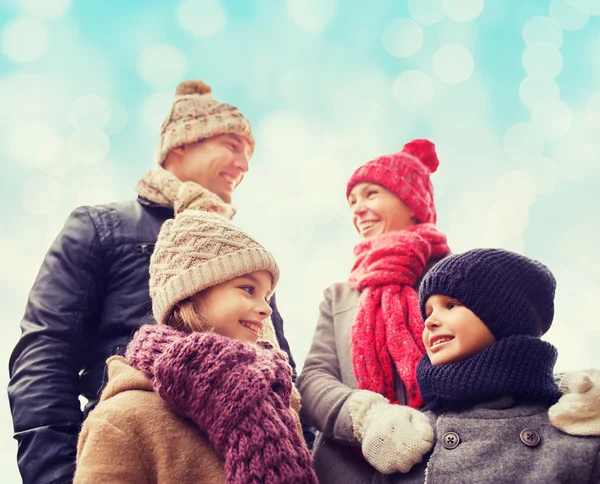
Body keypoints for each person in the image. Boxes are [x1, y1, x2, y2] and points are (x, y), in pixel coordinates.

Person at [8, 79, 297, 484]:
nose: (244, 165)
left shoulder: (246, 257)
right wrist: (59, 475)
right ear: (181, 144)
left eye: (249, 155)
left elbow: (281, 362)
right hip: (137, 455)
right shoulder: (101, 227)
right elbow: (46, 353)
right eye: (232, 146)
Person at [74, 210, 317, 483]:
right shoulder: (122, 419)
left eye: (266, 297)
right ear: (192, 292)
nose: (265, 309)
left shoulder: (276, 405)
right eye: (248, 289)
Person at [366, 248, 600, 483]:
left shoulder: (577, 425)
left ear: (506, 316)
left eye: (451, 305)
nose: (430, 321)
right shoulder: (410, 439)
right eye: (427, 312)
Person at [296, 139, 452, 482]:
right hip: (346, 470)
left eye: (371, 194)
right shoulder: (339, 296)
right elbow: (313, 379)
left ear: (413, 204)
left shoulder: (456, 276)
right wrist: (367, 419)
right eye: (352, 201)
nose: (358, 209)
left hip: (443, 461)